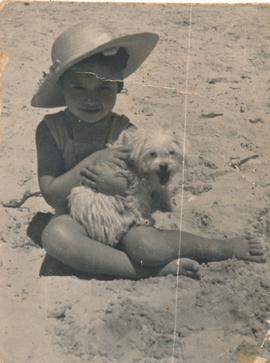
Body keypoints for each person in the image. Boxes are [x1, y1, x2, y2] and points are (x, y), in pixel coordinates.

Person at [32, 23, 266, 280]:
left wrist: (120, 188)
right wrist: (94, 160)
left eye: (104, 88)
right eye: (78, 87)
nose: (91, 99)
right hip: (76, 219)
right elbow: (52, 194)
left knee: (148, 247)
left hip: (124, 218)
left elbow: (155, 193)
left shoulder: (127, 133)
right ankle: (143, 271)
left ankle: (219, 247)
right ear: (62, 89)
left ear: (118, 88)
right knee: (56, 237)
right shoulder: (51, 131)